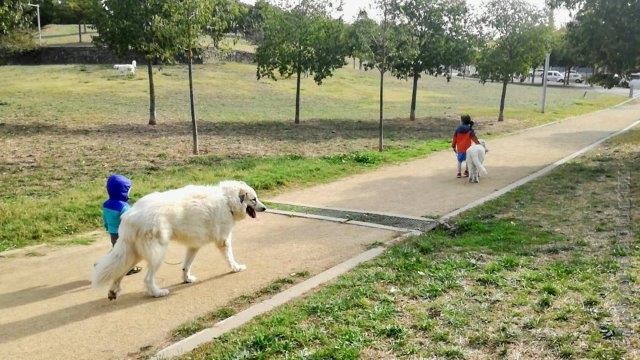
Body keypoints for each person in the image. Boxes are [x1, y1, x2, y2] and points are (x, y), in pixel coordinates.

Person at [102, 174, 141, 275]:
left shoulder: (106, 204)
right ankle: (127, 268)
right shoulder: (124, 207)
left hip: (112, 232)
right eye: (128, 191)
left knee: (116, 250)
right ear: (122, 191)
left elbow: (105, 218)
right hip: (123, 233)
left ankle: (102, 263)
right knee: (125, 252)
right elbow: (130, 221)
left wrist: (106, 226)